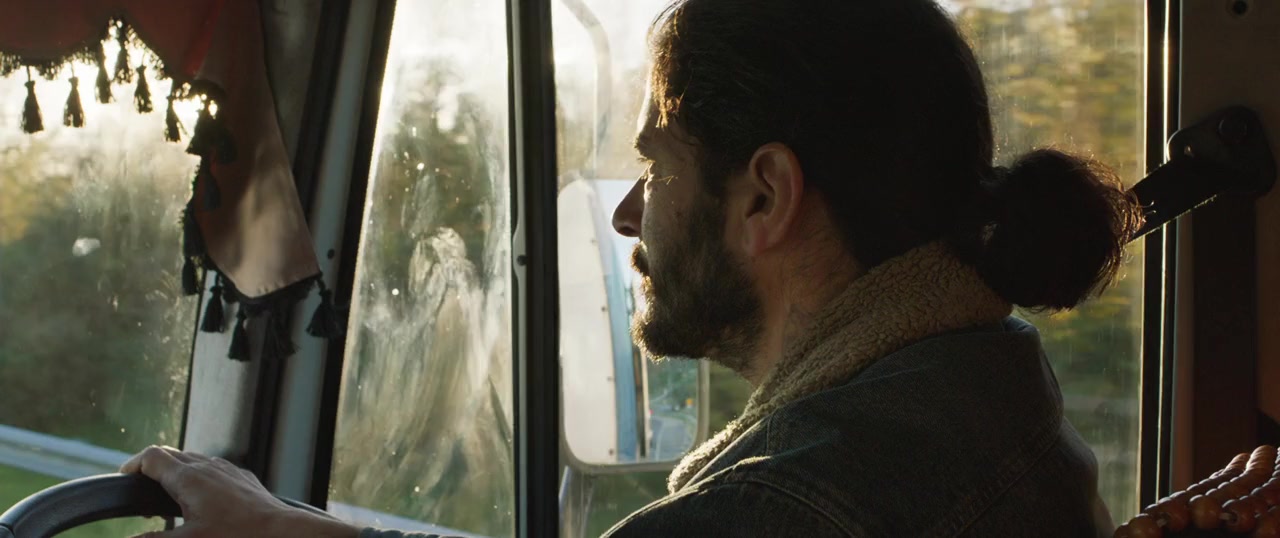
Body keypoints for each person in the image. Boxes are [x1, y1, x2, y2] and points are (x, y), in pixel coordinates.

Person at [122, 0, 1142, 535]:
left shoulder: (807, 501)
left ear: (763, 196)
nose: (623, 212)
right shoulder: (986, 392)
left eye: (655, 167)